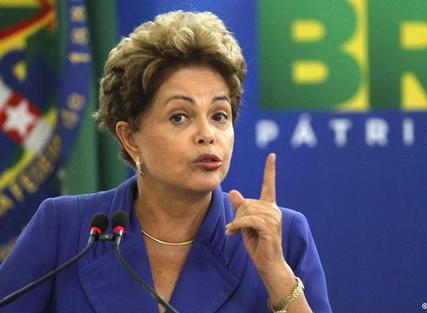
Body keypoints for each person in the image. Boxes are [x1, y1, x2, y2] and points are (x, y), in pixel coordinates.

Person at [0, 10, 332, 313]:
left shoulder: (283, 235)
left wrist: (276, 275)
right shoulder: (66, 229)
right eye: (179, 117)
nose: (207, 134)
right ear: (130, 138)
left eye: (219, 115)